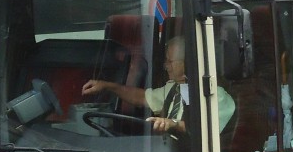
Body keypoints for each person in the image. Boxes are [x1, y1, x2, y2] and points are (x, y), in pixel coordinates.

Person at [82, 36, 233, 134]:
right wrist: (107, 86)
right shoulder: (174, 88)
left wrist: (172, 124)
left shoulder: (216, 95)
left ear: (187, 63)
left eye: (170, 61)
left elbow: (204, 132)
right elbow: (141, 97)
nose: (166, 66)